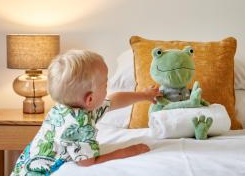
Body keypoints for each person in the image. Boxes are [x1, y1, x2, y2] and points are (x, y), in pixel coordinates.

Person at [11, 49, 162, 175]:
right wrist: (128, 151)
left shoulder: (64, 107)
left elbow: (113, 100)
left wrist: (144, 95)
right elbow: (87, 162)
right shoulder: (79, 126)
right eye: (105, 85)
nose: (107, 89)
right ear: (90, 99)